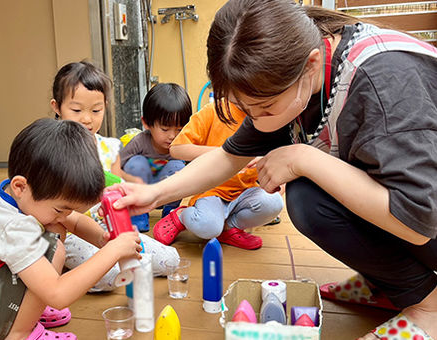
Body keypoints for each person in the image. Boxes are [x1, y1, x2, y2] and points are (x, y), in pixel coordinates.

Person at [109, 0, 437, 339]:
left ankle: (429, 307)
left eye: (263, 107)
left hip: (424, 218)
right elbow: (227, 157)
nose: (255, 119)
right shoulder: (291, 80)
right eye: (244, 108)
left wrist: (302, 158)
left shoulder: (380, 81)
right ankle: (390, 284)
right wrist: (153, 193)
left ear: (310, 65)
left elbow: (416, 220)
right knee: (308, 197)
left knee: (308, 189)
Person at [0, 118, 142, 340]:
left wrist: (102, 240)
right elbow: (58, 294)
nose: (65, 215)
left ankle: (25, 308)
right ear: (21, 186)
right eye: (60, 208)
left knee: (53, 229)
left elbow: (74, 221)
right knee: (52, 249)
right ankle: (20, 333)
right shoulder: (12, 226)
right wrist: (112, 251)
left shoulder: (15, 194)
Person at [51, 61, 180, 292]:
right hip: (72, 233)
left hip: (112, 226)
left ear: (106, 106)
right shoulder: (52, 151)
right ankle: (69, 265)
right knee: (110, 276)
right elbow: (55, 209)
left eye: (96, 110)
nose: (87, 119)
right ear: (57, 107)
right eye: (77, 110)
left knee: (170, 260)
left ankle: (105, 267)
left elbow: (120, 182)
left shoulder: (110, 147)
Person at [153, 102, 283, 249]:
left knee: (274, 203)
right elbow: (177, 149)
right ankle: (181, 215)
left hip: (244, 191)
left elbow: (280, 161)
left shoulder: (265, 116)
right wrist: (225, 154)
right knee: (208, 227)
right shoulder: (214, 111)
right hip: (212, 191)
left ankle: (228, 229)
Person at [119, 82, 192, 232]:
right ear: (146, 123)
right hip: (143, 190)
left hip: (167, 194)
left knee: (178, 166)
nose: (172, 136)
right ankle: (139, 216)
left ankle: (170, 214)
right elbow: (118, 165)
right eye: (165, 129)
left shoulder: (183, 143)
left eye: (179, 129)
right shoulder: (140, 142)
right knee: (135, 163)